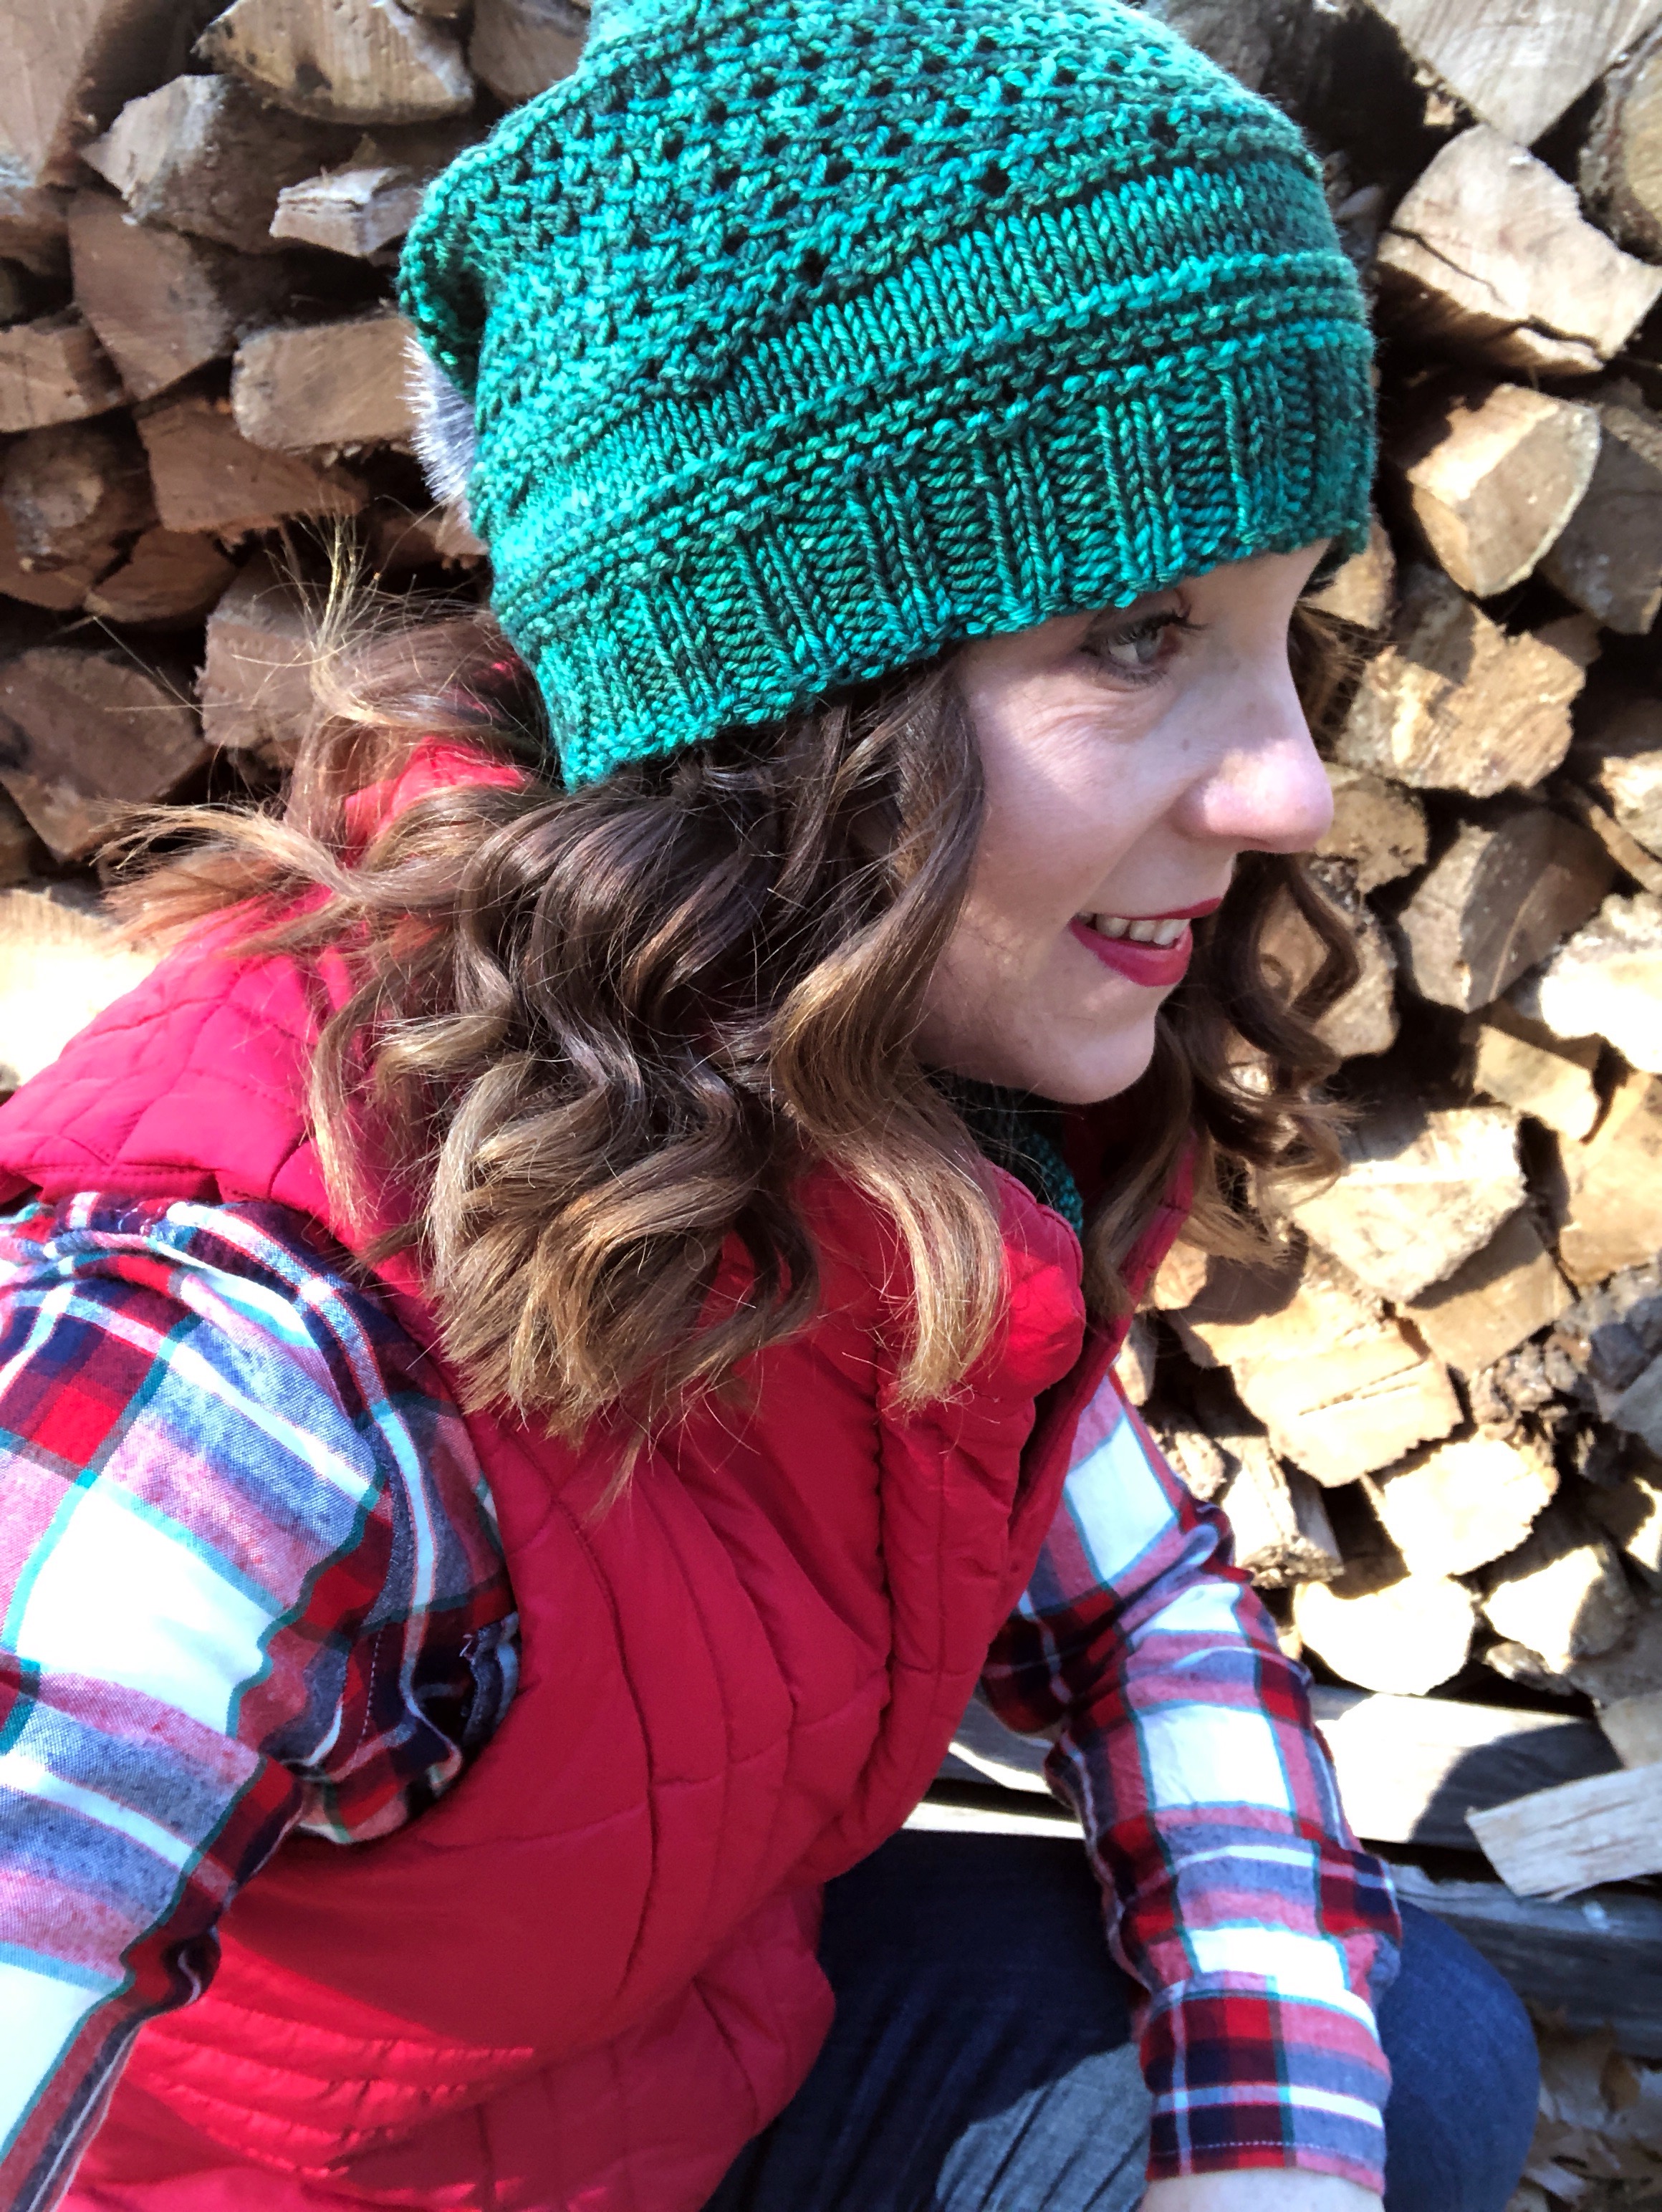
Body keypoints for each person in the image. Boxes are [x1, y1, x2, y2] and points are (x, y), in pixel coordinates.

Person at [0, 2, 1540, 2208]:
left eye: (1284, 630)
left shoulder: (874, 1102)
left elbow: (1142, 1611)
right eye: (1134, 634)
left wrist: (1267, 2161)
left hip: (680, 2075)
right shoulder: (241, 1371)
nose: (1292, 788)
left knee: (1401, 2064)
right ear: (772, 709)